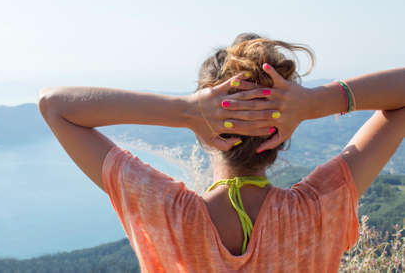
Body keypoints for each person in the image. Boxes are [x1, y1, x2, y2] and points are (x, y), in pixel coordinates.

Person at [38, 33, 405, 272]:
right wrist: (314, 103)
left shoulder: (168, 215)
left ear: (205, 131)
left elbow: (55, 106)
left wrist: (184, 110)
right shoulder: (318, 211)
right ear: (282, 136)